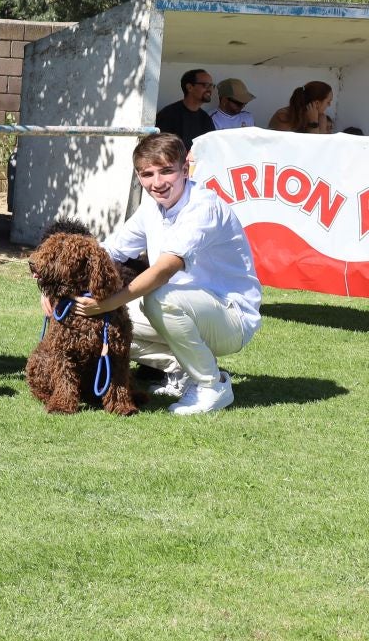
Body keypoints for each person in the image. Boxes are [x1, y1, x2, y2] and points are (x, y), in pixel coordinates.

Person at [75, 132, 261, 416]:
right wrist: (60, 291)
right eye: (147, 174)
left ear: (185, 170)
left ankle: (212, 385)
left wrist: (109, 302)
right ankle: (184, 372)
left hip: (231, 317)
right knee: (106, 323)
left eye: (166, 171)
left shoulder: (203, 207)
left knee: (158, 298)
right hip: (187, 309)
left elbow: (163, 270)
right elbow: (110, 251)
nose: (157, 183)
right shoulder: (152, 207)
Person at [155, 69, 216, 150]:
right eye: (206, 85)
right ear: (189, 87)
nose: (210, 89)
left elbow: (210, 147)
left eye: (212, 86)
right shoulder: (168, 115)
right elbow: (160, 148)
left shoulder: (205, 119)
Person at [267, 80, 336, 134]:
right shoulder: (284, 116)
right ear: (317, 103)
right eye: (328, 102)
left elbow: (317, 146)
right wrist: (313, 123)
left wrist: (313, 121)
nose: (329, 105)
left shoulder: (321, 118)